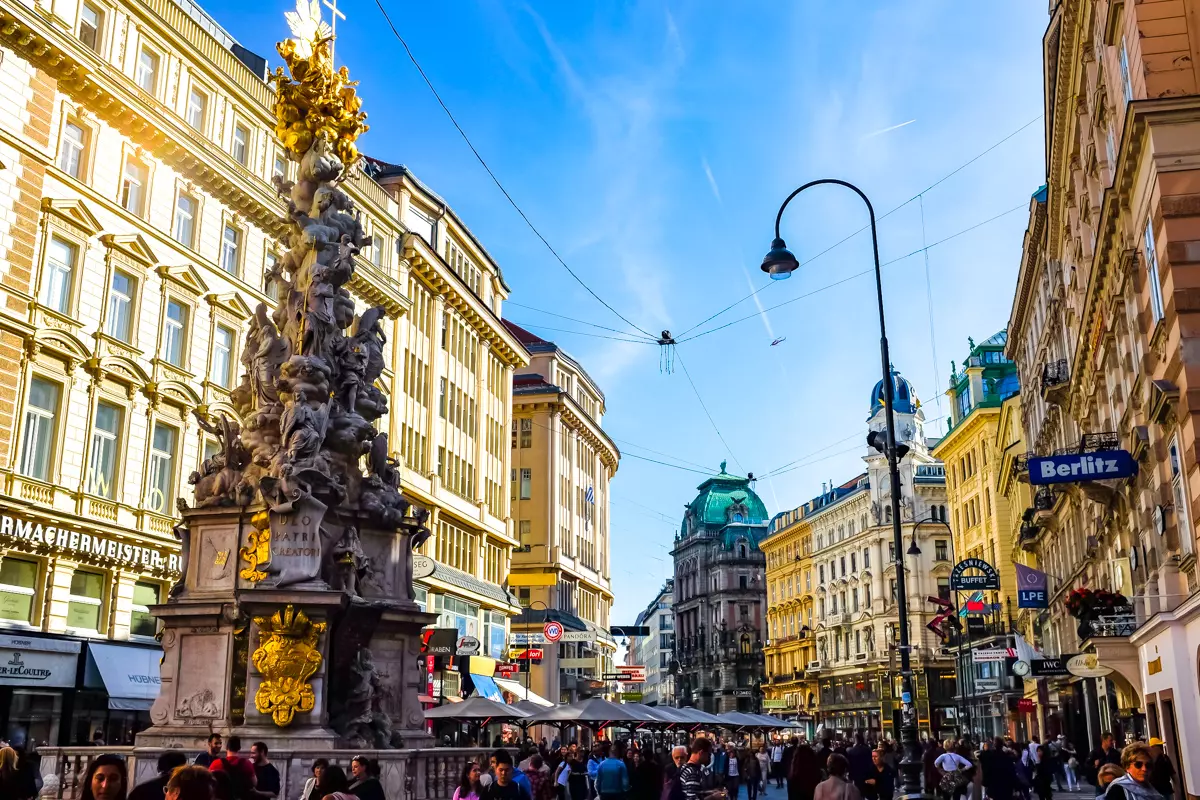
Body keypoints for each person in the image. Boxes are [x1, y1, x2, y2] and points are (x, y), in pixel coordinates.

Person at [209, 736, 257, 800]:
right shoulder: (247, 763)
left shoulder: (216, 763)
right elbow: (254, 783)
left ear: (226, 748)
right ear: (239, 748)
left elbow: (207, 782)